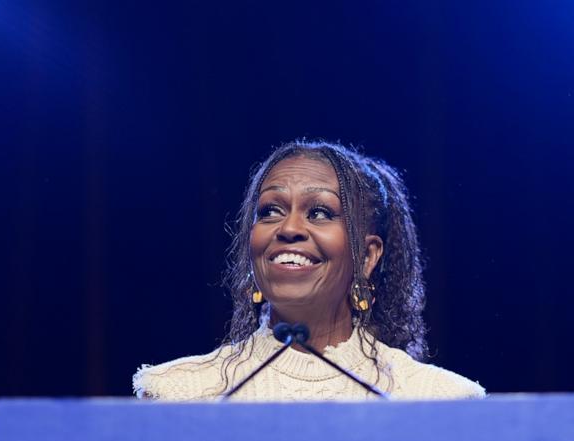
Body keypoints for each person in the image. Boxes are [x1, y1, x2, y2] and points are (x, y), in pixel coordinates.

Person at [134, 140, 486, 401]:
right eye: (270, 210)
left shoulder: (436, 400)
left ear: (367, 256)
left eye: (319, 213)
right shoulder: (177, 394)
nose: (288, 228)